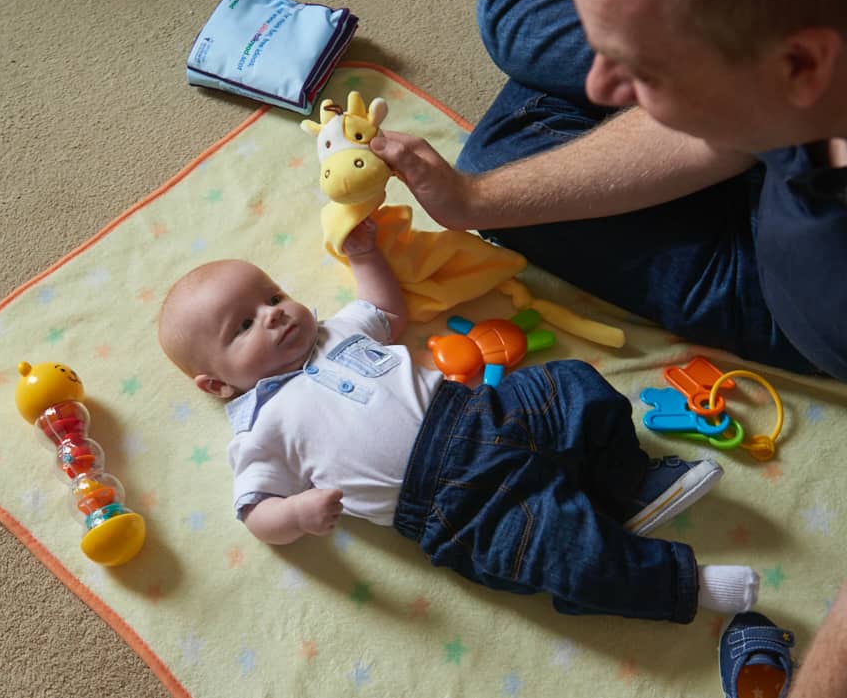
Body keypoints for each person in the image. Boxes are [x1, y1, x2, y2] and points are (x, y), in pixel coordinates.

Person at [366, 0, 847, 696]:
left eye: (641, 69)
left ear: (801, 67)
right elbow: (728, 125)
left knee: (522, 75)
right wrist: (472, 205)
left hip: (784, 294)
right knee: (514, 38)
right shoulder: (827, 57)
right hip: (782, 173)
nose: (603, 83)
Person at [158, 218, 762, 623]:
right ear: (217, 384)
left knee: (574, 386)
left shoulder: (334, 331)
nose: (273, 316)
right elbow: (255, 514)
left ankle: (629, 483)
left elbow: (386, 312)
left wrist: (366, 254)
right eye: (243, 326)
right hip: (451, 502)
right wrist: (295, 514)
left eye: (271, 296)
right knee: (556, 546)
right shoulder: (260, 426)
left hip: (479, 409)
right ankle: (680, 585)